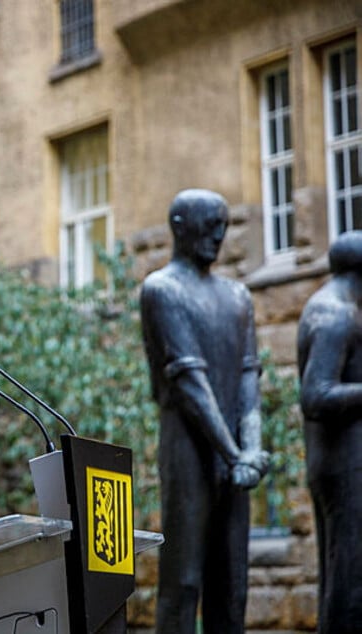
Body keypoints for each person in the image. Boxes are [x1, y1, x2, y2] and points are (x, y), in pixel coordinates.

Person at [139, 189, 270, 634]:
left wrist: (251, 450)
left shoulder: (238, 296)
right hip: (188, 451)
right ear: (179, 226)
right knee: (184, 581)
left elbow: (249, 374)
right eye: (209, 223)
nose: (219, 234)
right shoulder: (162, 289)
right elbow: (190, 383)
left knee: (231, 583)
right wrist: (237, 455)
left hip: (232, 453)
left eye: (224, 224)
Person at [297, 230, 362, 633]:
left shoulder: (338, 308)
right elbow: (316, 395)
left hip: (345, 463)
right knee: (350, 581)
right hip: (344, 466)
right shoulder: (335, 314)